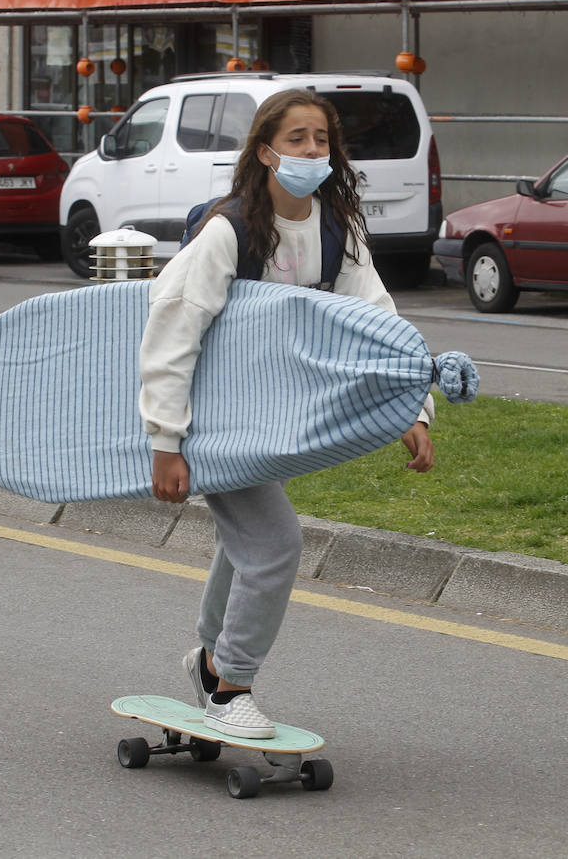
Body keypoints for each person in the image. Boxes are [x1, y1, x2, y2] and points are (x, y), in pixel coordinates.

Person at [138, 89, 435, 739]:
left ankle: (208, 658)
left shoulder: (338, 230)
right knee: (275, 546)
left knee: (245, 546)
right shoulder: (230, 229)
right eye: (296, 138)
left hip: (269, 424)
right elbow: (173, 326)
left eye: (321, 139)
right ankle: (229, 681)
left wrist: (412, 406)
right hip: (212, 420)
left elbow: (378, 323)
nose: (310, 150)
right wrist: (166, 439)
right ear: (266, 150)